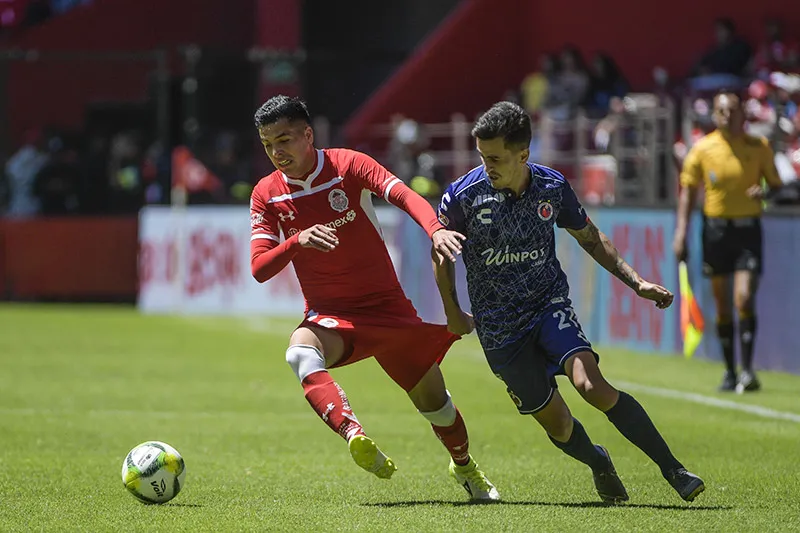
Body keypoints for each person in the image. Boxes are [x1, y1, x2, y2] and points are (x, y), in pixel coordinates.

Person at [433, 101, 704, 504]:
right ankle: (598, 462)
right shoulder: (462, 197)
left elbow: (591, 238)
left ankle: (674, 470)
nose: (486, 166)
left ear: (522, 154)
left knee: (591, 386)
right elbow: (441, 255)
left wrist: (637, 282)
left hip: (548, 306)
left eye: (495, 158)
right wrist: (453, 312)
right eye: (481, 156)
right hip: (499, 329)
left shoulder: (552, 188)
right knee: (558, 425)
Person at [248, 95, 499, 500]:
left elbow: (402, 195)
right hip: (330, 314)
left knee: (437, 404)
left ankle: (466, 468)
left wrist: (434, 229)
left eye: (285, 139)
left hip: (388, 309)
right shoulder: (267, 194)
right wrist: (297, 241)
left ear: (308, 135)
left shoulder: (348, 165)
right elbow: (259, 268)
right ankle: (354, 433)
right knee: (298, 352)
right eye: (267, 144)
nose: (277, 152)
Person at [674, 91, 783, 393]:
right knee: (723, 304)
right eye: (721, 111)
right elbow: (688, 192)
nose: (727, 116)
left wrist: (766, 194)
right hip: (716, 232)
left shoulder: (758, 147)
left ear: (742, 114)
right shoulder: (703, 149)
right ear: (714, 114)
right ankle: (729, 371)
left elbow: (777, 187)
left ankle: (748, 371)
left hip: (747, 230)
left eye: (732, 111)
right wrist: (681, 232)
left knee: (744, 297)